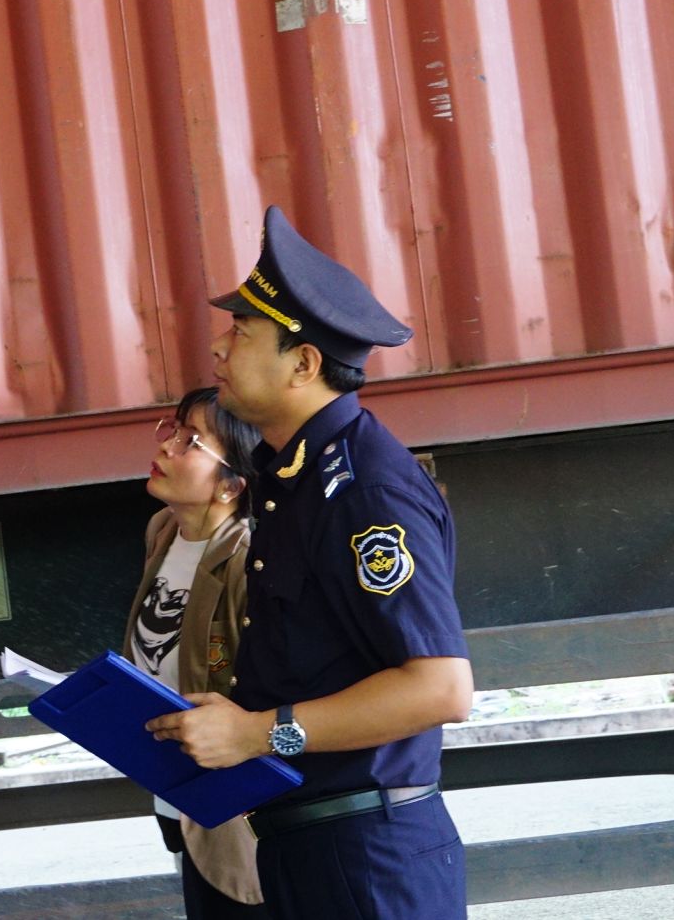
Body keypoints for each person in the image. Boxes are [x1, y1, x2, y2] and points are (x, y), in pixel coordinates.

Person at [146, 206, 475, 918]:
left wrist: (256, 732)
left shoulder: (366, 492)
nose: (218, 348)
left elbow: (441, 689)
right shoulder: (291, 480)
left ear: (303, 363)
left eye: (242, 332)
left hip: (366, 858)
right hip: (305, 847)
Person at [124, 387, 266, 917]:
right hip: (174, 790)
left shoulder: (247, 558)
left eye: (191, 442)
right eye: (173, 432)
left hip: (234, 804)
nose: (166, 446)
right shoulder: (163, 531)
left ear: (231, 485)